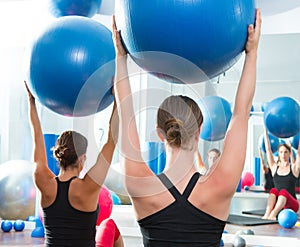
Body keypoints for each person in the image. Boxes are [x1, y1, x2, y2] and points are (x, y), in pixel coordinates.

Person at [112, 8, 261, 247]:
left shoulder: (140, 185)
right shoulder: (220, 183)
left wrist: (120, 58)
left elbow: (125, 109)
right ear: (200, 130)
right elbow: (241, 113)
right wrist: (251, 53)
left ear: (160, 134)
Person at [24, 81, 124, 247]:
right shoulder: (89, 186)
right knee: (111, 228)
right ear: (81, 158)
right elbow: (111, 141)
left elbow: (37, 137)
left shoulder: (44, 182)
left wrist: (31, 101)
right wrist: (117, 99)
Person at [262, 127, 300, 220]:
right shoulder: (275, 168)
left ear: (289, 153)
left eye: (286, 152)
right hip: (279, 204)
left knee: (283, 192)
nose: (283, 155)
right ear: (278, 153)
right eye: (281, 152)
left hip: (291, 205)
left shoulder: (294, 168)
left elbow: (299, 153)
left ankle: (273, 214)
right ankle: (267, 213)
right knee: (274, 191)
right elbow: (268, 149)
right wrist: (265, 130)